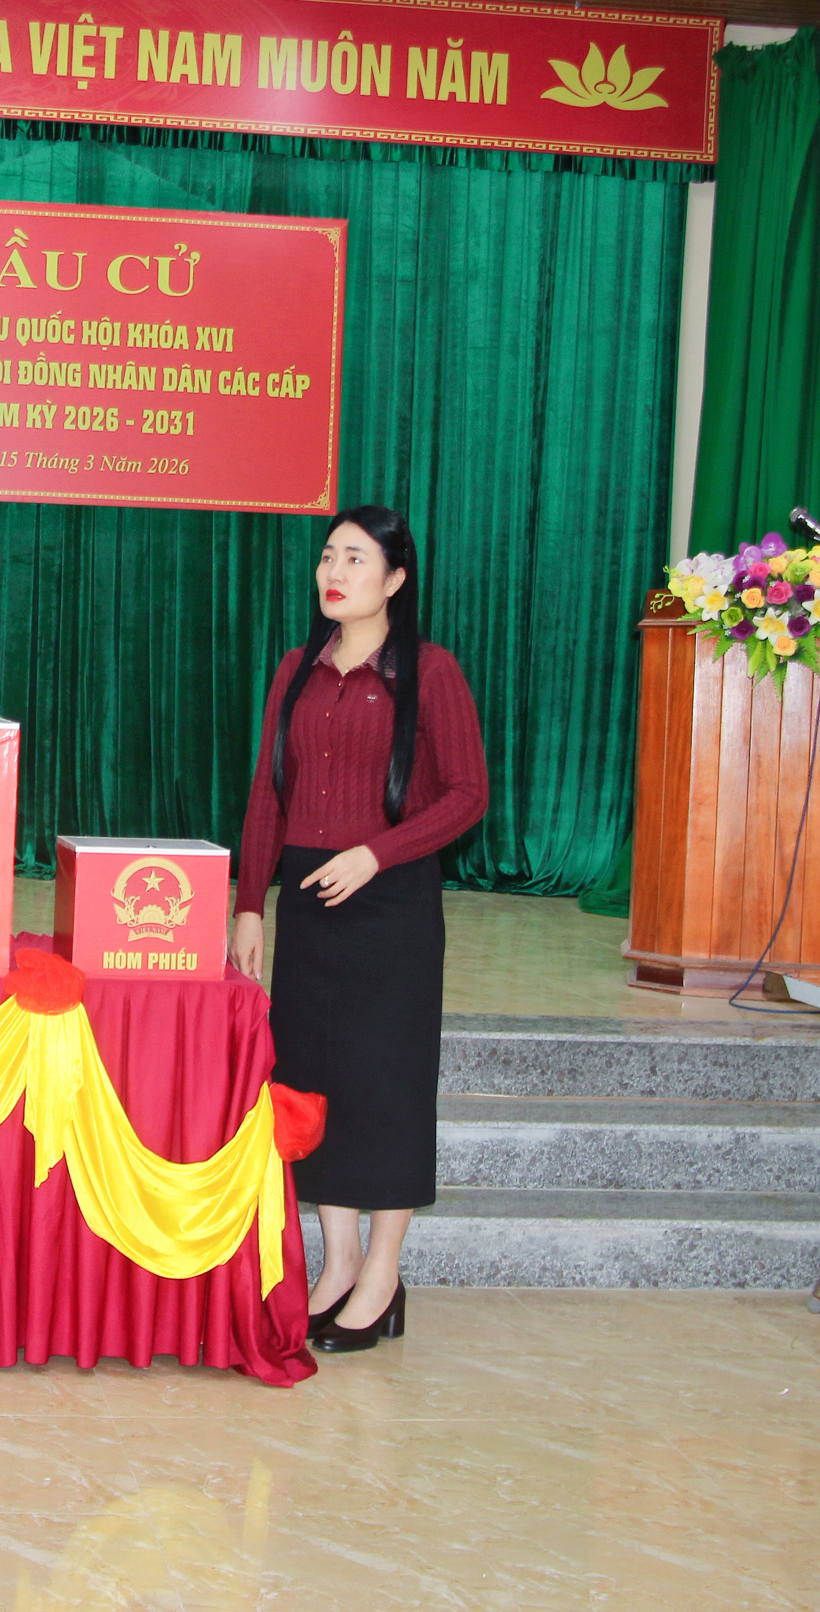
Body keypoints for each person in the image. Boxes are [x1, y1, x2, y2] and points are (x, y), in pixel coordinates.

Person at [231, 506, 488, 1356]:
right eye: (327, 555)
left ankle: (383, 1271)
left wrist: (378, 853)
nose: (333, 572)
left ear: (396, 579)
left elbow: (468, 794)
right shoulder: (296, 669)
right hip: (309, 902)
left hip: (391, 904)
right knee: (313, 1083)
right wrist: (249, 903)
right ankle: (338, 1261)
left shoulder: (430, 671)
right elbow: (267, 793)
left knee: (384, 1086)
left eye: (355, 558)